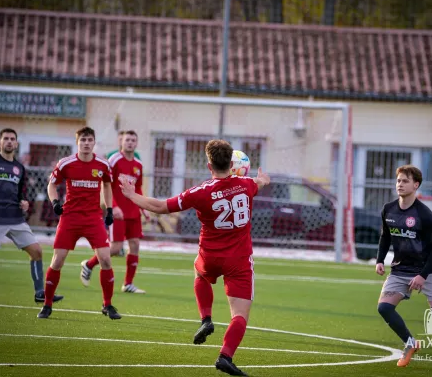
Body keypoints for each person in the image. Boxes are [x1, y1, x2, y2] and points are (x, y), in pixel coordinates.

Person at [119, 139, 270, 377]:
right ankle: (225, 356)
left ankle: (206, 318)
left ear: (209, 166)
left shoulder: (200, 192)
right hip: (239, 259)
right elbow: (260, 183)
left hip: (209, 256)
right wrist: (262, 178)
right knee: (239, 316)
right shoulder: (246, 184)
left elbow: (159, 206)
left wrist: (130, 194)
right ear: (232, 164)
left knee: (200, 273)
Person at [0, 128, 63, 305]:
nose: (9, 141)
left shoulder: (19, 168)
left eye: (12, 139)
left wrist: (24, 202)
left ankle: (39, 293)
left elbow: (21, 192)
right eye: (5, 138)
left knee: (36, 251)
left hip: (15, 218)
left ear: (16, 144)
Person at [375, 165, 432, 373]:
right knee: (384, 308)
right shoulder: (388, 209)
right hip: (400, 269)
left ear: (415, 185)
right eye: (398, 180)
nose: (400, 184)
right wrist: (380, 260)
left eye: (405, 181)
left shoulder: (424, 214)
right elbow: (385, 236)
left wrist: (423, 275)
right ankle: (410, 343)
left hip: (427, 269)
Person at [37, 127, 120, 320]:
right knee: (57, 261)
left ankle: (107, 305)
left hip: (93, 218)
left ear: (94, 142)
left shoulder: (103, 164)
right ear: (77, 142)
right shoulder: (66, 163)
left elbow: (107, 185)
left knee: (106, 260)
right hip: (70, 218)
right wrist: (55, 202)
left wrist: (108, 209)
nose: (86, 143)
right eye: (83, 140)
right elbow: (52, 184)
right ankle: (47, 305)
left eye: (90, 140)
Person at [81, 130, 150, 293]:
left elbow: (138, 188)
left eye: (133, 140)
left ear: (137, 143)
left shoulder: (138, 165)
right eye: (127, 140)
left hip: (133, 212)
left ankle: (128, 284)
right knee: (114, 248)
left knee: (135, 245)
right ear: (122, 142)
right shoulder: (114, 160)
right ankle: (89, 264)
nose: (130, 143)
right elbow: (107, 185)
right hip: (118, 212)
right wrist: (113, 206)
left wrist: (144, 207)